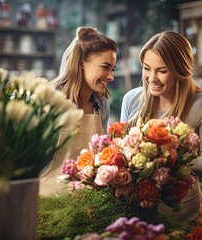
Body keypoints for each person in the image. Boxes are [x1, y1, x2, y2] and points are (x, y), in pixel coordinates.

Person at [120, 31, 202, 220]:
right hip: (137, 212)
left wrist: (163, 155)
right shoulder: (131, 100)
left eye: (162, 70)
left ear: (180, 69)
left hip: (182, 214)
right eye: (146, 68)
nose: (152, 78)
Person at [39, 26, 118, 195]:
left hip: (84, 202)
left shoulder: (101, 106)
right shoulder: (48, 100)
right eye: (105, 67)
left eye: (113, 69)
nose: (111, 76)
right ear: (82, 63)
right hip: (44, 200)